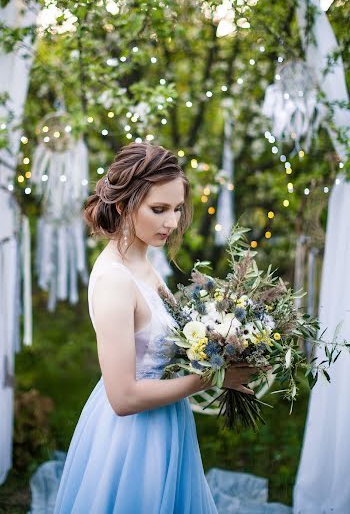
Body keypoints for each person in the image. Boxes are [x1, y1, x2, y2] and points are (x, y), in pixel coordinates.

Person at [54, 142, 258, 513]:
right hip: (134, 441)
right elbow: (123, 398)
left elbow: (177, 334)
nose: (172, 222)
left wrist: (229, 335)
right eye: (159, 209)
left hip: (168, 422)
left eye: (177, 209)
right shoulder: (115, 281)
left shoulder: (144, 261)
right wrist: (216, 378)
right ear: (123, 206)